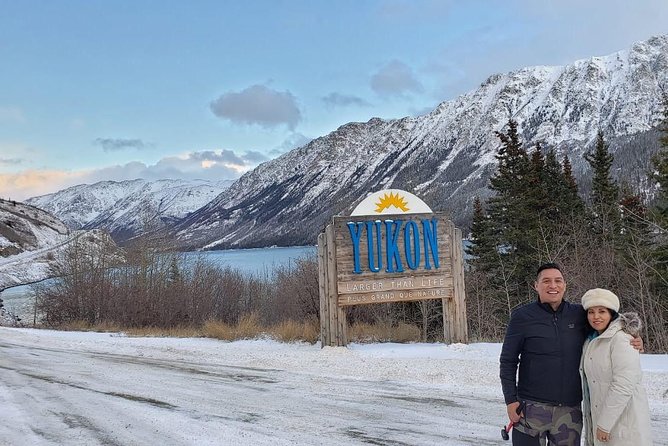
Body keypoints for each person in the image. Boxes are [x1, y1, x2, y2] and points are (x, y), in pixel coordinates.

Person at [499, 263, 643, 446]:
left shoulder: (579, 314)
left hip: (569, 411)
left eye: (558, 281)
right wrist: (511, 400)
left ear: (565, 285)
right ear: (536, 285)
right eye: (546, 281)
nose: (553, 286)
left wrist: (633, 335)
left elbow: (609, 324)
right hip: (530, 409)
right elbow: (508, 361)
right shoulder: (522, 317)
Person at [580, 288, 652, 445]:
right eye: (591, 312)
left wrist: (604, 424)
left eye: (602, 311)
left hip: (624, 423)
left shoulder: (621, 339)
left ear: (611, 313)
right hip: (602, 421)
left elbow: (624, 384)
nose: (596, 316)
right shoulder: (591, 340)